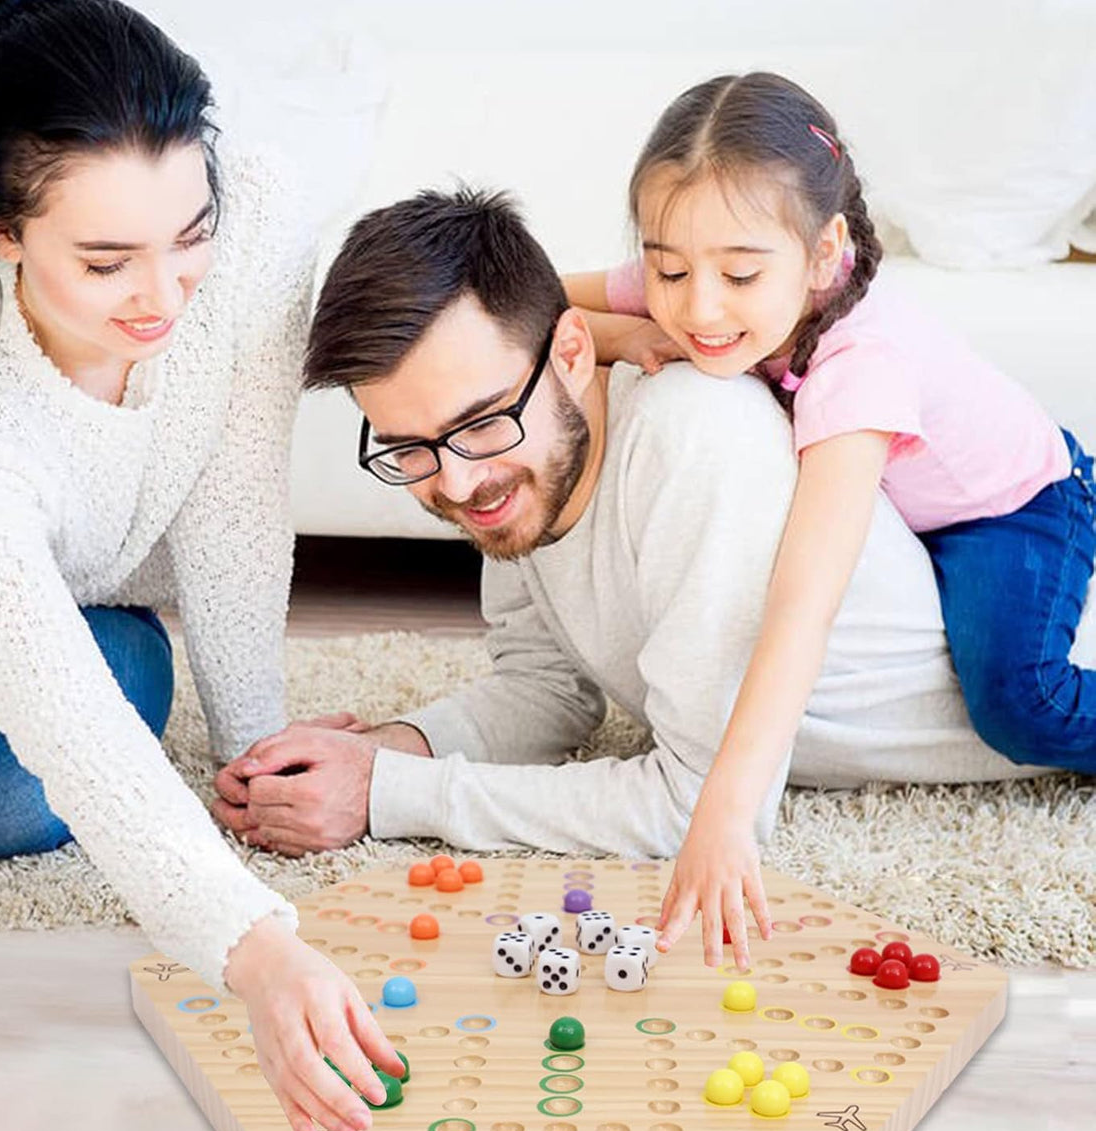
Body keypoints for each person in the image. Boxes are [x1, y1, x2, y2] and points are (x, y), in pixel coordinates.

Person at [210, 186, 1083, 977]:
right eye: (408, 447)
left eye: (478, 427)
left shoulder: (692, 439)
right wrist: (383, 750)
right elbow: (547, 690)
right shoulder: (504, 469)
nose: (456, 485)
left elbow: (699, 804)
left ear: (572, 351)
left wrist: (390, 798)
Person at [0, 0, 401, 1131]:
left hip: (76, 589)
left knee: (129, 684)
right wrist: (255, 948)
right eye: (108, 260)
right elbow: (69, 737)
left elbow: (233, 497)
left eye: (187, 236)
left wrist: (253, 754)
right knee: (15, 790)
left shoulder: (257, 216)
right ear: (1, 232)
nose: (164, 295)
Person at [560, 71, 1096, 967]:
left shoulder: (861, 367)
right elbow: (527, 300)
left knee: (1017, 701)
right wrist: (624, 332)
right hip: (921, 491)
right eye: (666, 270)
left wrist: (723, 810)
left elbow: (800, 606)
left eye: (737, 274)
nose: (698, 309)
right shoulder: (703, 265)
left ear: (824, 253)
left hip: (1018, 504)